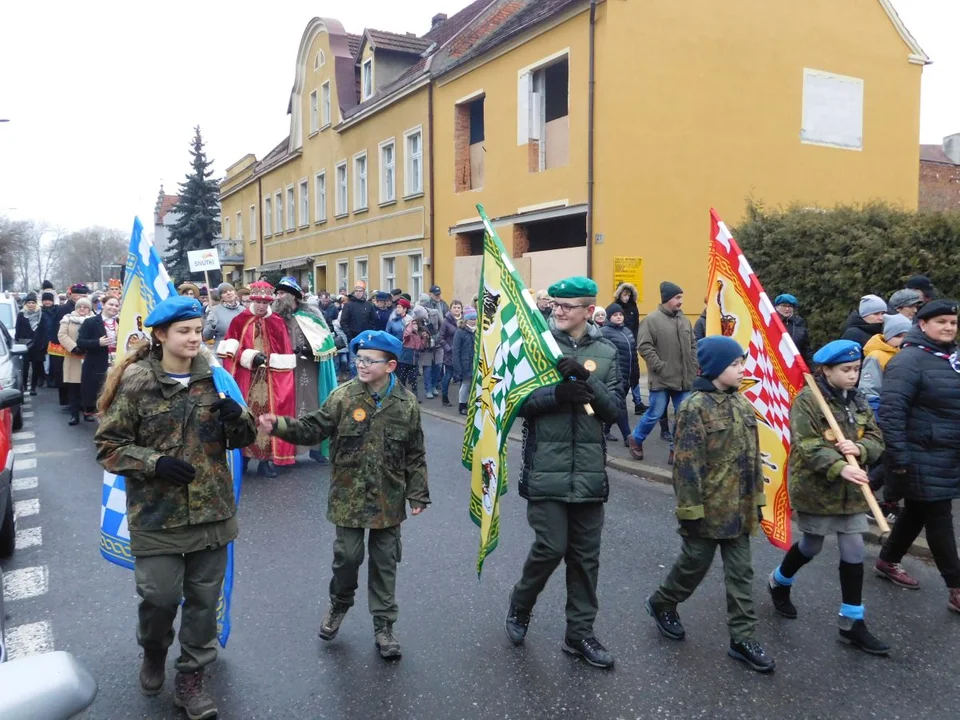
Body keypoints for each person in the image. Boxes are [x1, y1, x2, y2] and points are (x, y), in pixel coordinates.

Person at [94, 295, 257, 719]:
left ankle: (191, 678)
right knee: (160, 597)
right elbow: (108, 447)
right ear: (161, 335)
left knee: (204, 601)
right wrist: (154, 462)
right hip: (156, 514)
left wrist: (236, 418)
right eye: (184, 331)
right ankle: (153, 649)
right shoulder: (135, 383)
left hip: (212, 511)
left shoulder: (216, 379)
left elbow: (244, 438)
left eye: (198, 330)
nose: (193, 338)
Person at [258, 330, 429, 659]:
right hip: (348, 497)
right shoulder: (343, 397)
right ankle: (339, 605)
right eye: (359, 358)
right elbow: (313, 427)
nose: (361, 365)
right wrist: (279, 424)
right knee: (348, 558)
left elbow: (415, 453)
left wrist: (418, 494)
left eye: (369, 360)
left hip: (388, 498)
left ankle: (384, 626)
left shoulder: (406, 404)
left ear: (390, 365)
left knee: (385, 562)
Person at [505, 276, 622, 670]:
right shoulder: (536, 346)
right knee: (551, 547)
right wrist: (557, 394)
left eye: (566, 306)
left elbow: (616, 410)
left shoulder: (608, 349)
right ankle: (521, 604)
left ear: (589, 311)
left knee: (586, 558)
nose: (557, 311)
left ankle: (579, 635)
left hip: (589, 472)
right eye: (555, 304)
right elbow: (515, 402)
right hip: (546, 470)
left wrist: (587, 381)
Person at [646, 337, 774, 673]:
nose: (742, 369)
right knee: (693, 567)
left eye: (742, 362)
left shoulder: (743, 404)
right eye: (735, 364)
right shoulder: (694, 407)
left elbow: (753, 458)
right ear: (716, 367)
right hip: (708, 508)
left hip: (740, 509)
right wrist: (689, 513)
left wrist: (758, 499)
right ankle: (662, 602)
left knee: (741, 574)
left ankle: (742, 638)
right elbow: (686, 466)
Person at [767, 340, 889, 655]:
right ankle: (779, 581)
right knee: (813, 544)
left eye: (856, 369)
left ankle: (852, 621)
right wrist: (838, 465)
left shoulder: (859, 401)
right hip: (816, 488)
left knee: (855, 546)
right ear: (826, 370)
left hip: (852, 491)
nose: (853, 375)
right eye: (846, 370)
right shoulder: (808, 401)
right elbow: (806, 446)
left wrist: (861, 450)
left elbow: (876, 438)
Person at [874, 299, 960, 614]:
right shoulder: (909, 360)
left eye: (952, 322)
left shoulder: (952, 358)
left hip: (947, 454)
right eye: (942, 322)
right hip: (920, 453)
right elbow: (892, 413)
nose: (949, 327)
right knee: (939, 518)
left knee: (916, 513)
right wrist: (898, 458)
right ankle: (957, 587)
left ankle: (886, 560)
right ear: (922, 325)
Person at [220, 282, 297, 478]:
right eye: (258, 301)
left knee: (268, 418)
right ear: (253, 300)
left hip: (270, 379)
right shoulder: (240, 320)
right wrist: (250, 357)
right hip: (248, 378)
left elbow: (285, 353)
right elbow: (230, 351)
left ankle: (265, 461)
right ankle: (243, 458)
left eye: (265, 302)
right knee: (246, 416)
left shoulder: (277, 322)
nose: (262, 306)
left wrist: (271, 362)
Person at [629, 281, 697, 464]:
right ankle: (636, 438)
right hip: (661, 378)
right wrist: (660, 366)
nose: (681, 301)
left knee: (683, 416)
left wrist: (694, 364)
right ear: (667, 298)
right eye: (677, 297)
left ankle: (675, 450)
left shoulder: (685, 320)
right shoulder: (651, 320)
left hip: (684, 379)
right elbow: (644, 346)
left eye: (681, 297)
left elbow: (693, 345)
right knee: (655, 413)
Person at [273, 276, 338, 465]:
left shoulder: (311, 313)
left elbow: (326, 339)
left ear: (293, 295)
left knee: (312, 405)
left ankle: (316, 449)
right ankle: (287, 450)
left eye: (282, 293)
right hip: (283, 368)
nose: (278, 296)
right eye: (277, 293)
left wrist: (310, 349)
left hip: (308, 367)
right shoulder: (275, 316)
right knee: (287, 406)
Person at [600, 303, 638, 446]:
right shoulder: (604, 332)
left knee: (615, 406)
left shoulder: (627, 331)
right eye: (615, 315)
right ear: (610, 317)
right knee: (621, 406)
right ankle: (628, 437)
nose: (619, 317)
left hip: (628, 376)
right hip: (615, 376)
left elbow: (633, 354)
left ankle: (605, 430)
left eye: (620, 314)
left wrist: (635, 375)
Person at [77, 295, 120, 419]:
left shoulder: (120, 322)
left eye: (116, 305)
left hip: (116, 361)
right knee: (96, 388)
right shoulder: (90, 322)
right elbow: (80, 342)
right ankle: (91, 410)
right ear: (103, 305)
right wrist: (97, 343)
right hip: (96, 362)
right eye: (111, 304)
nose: (114, 307)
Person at [859, 313, 912, 413]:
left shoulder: (910, 355)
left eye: (907, 336)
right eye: (898, 336)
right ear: (888, 337)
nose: (903, 340)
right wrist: (875, 411)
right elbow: (869, 389)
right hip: (884, 409)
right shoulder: (876, 357)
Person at [52, 283, 90, 405]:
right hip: (66, 348)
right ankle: (68, 402)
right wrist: (71, 346)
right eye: (77, 294)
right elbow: (57, 331)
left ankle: (84, 405)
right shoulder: (63, 309)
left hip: (85, 350)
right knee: (67, 377)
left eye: (83, 294)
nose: (80, 297)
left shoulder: (90, 311)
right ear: (71, 294)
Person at [58, 296, 93, 426]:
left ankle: (87, 412)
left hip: (89, 357)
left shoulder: (94, 319)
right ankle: (74, 415)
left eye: (85, 307)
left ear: (89, 309)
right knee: (74, 389)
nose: (82, 309)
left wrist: (88, 347)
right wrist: (74, 347)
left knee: (87, 387)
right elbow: (62, 335)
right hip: (73, 357)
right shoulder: (67, 319)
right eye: (79, 307)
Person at [15, 293, 48, 395]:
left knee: (36, 367)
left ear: (36, 303)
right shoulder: (21, 314)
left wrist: (44, 344)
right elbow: (18, 329)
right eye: (29, 302)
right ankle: (24, 385)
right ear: (26, 304)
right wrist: (18, 341)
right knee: (25, 367)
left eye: (33, 302)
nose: (31, 305)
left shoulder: (41, 314)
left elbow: (44, 330)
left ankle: (33, 387)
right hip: (25, 344)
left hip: (37, 345)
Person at [339, 283, 377, 375]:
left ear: (364, 292)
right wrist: (350, 336)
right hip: (353, 338)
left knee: (366, 362)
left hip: (366, 338)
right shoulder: (348, 305)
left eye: (360, 291)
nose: (358, 293)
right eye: (356, 291)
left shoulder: (369, 305)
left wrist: (369, 334)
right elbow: (343, 322)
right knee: (353, 363)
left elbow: (373, 321)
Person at [416, 294, 443, 399]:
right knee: (427, 368)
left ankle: (434, 385)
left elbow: (442, 325)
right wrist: (421, 335)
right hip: (425, 346)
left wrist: (438, 336)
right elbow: (414, 330)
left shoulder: (434, 313)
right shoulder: (416, 316)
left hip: (437, 343)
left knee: (438, 366)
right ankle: (428, 389)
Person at [773, 294, 812, 367]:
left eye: (790, 306)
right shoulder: (771, 322)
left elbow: (806, 349)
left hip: (794, 366)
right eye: (784, 306)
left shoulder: (799, 323)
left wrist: (814, 370)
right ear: (777, 307)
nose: (787, 309)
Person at [400, 305, 429, 400]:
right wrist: (410, 326)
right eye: (414, 324)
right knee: (403, 377)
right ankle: (402, 394)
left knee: (413, 378)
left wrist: (424, 338)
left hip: (414, 360)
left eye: (417, 324)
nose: (415, 326)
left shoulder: (418, 335)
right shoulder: (408, 332)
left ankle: (415, 395)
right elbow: (406, 335)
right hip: (405, 359)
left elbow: (421, 347)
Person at [203, 283, 245, 348]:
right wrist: (211, 325)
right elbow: (206, 336)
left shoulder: (243, 310)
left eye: (230, 290)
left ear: (235, 293)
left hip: (240, 350)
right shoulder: (214, 311)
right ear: (221, 297)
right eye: (224, 292)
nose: (228, 293)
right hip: (222, 351)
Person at [452, 306, 477, 415]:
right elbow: (456, 350)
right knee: (465, 385)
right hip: (465, 363)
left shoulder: (477, 331)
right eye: (471, 319)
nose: (473, 321)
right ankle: (462, 405)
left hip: (475, 362)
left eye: (475, 318)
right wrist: (458, 367)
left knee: (473, 385)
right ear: (466, 319)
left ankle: (471, 403)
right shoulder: (460, 332)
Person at [439, 300, 463, 407]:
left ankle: (463, 400)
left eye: (458, 307)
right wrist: (448, 348)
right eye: (454, 307)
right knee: (448, 375)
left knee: (463, 377)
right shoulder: (446, 321)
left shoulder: (464, 320)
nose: (457, 309)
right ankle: (444, 397)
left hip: (462, 354)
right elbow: (441, 337)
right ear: (451, 309)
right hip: (450, 353)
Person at [40, 291, 59, 388]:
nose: (47, 302)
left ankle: (54, 378)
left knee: (54, 361)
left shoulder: (57, 310)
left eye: (49, 300)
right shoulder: (40, 311)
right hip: (44, 339)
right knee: (45, 361)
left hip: (55, 339)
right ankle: (47, 378)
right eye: (45, 300)